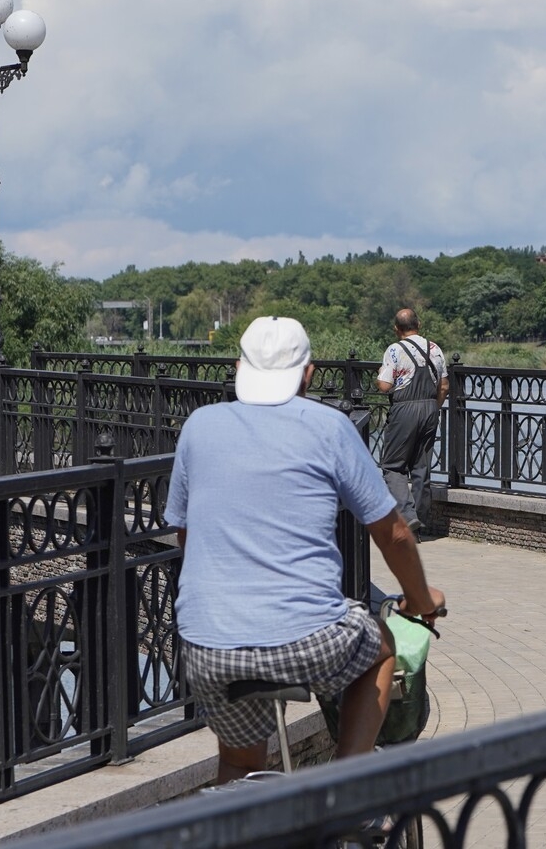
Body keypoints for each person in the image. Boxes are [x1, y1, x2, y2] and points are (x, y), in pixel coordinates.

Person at [165, 316, 445, 784]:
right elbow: (393, 533)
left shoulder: (199, 426)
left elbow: (186, 535)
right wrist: (419, 601)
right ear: (309, 374)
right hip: (306, 641)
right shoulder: (329, 427)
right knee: (380, 646)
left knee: (239, 767)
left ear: (238, 367)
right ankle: (345, 788)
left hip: (209, 645)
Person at [375, 308, 448, 533]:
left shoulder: (394, 350)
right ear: (419, 323)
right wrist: (433, 408)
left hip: (405, 409)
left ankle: (407, 515)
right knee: (421, 466)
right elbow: (444, 386)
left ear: (396, 329)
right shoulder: (434, 349)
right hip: (429, 408)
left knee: (392, 466)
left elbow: (385, 385)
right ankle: (420, 520)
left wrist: (380, 374)